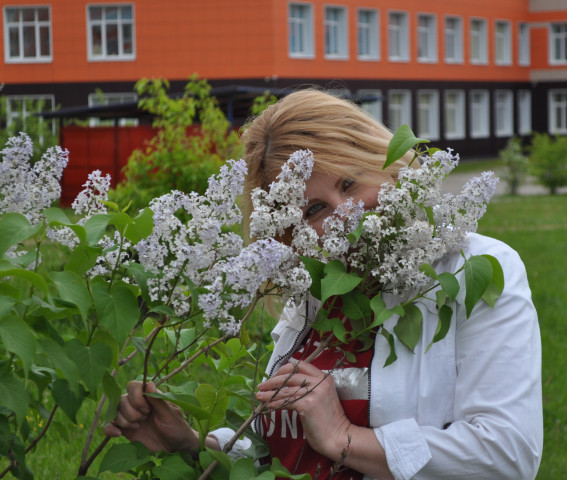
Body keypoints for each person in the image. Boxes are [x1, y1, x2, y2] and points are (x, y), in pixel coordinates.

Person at [104, 89, 543, 479]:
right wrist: (197, 447)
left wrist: (344, 437)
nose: (345, 215)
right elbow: (283, 448)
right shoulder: (316, 296)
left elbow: (507, 454)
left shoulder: (469, 268)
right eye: (314, 210)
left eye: (350, 182)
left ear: (381, 160)